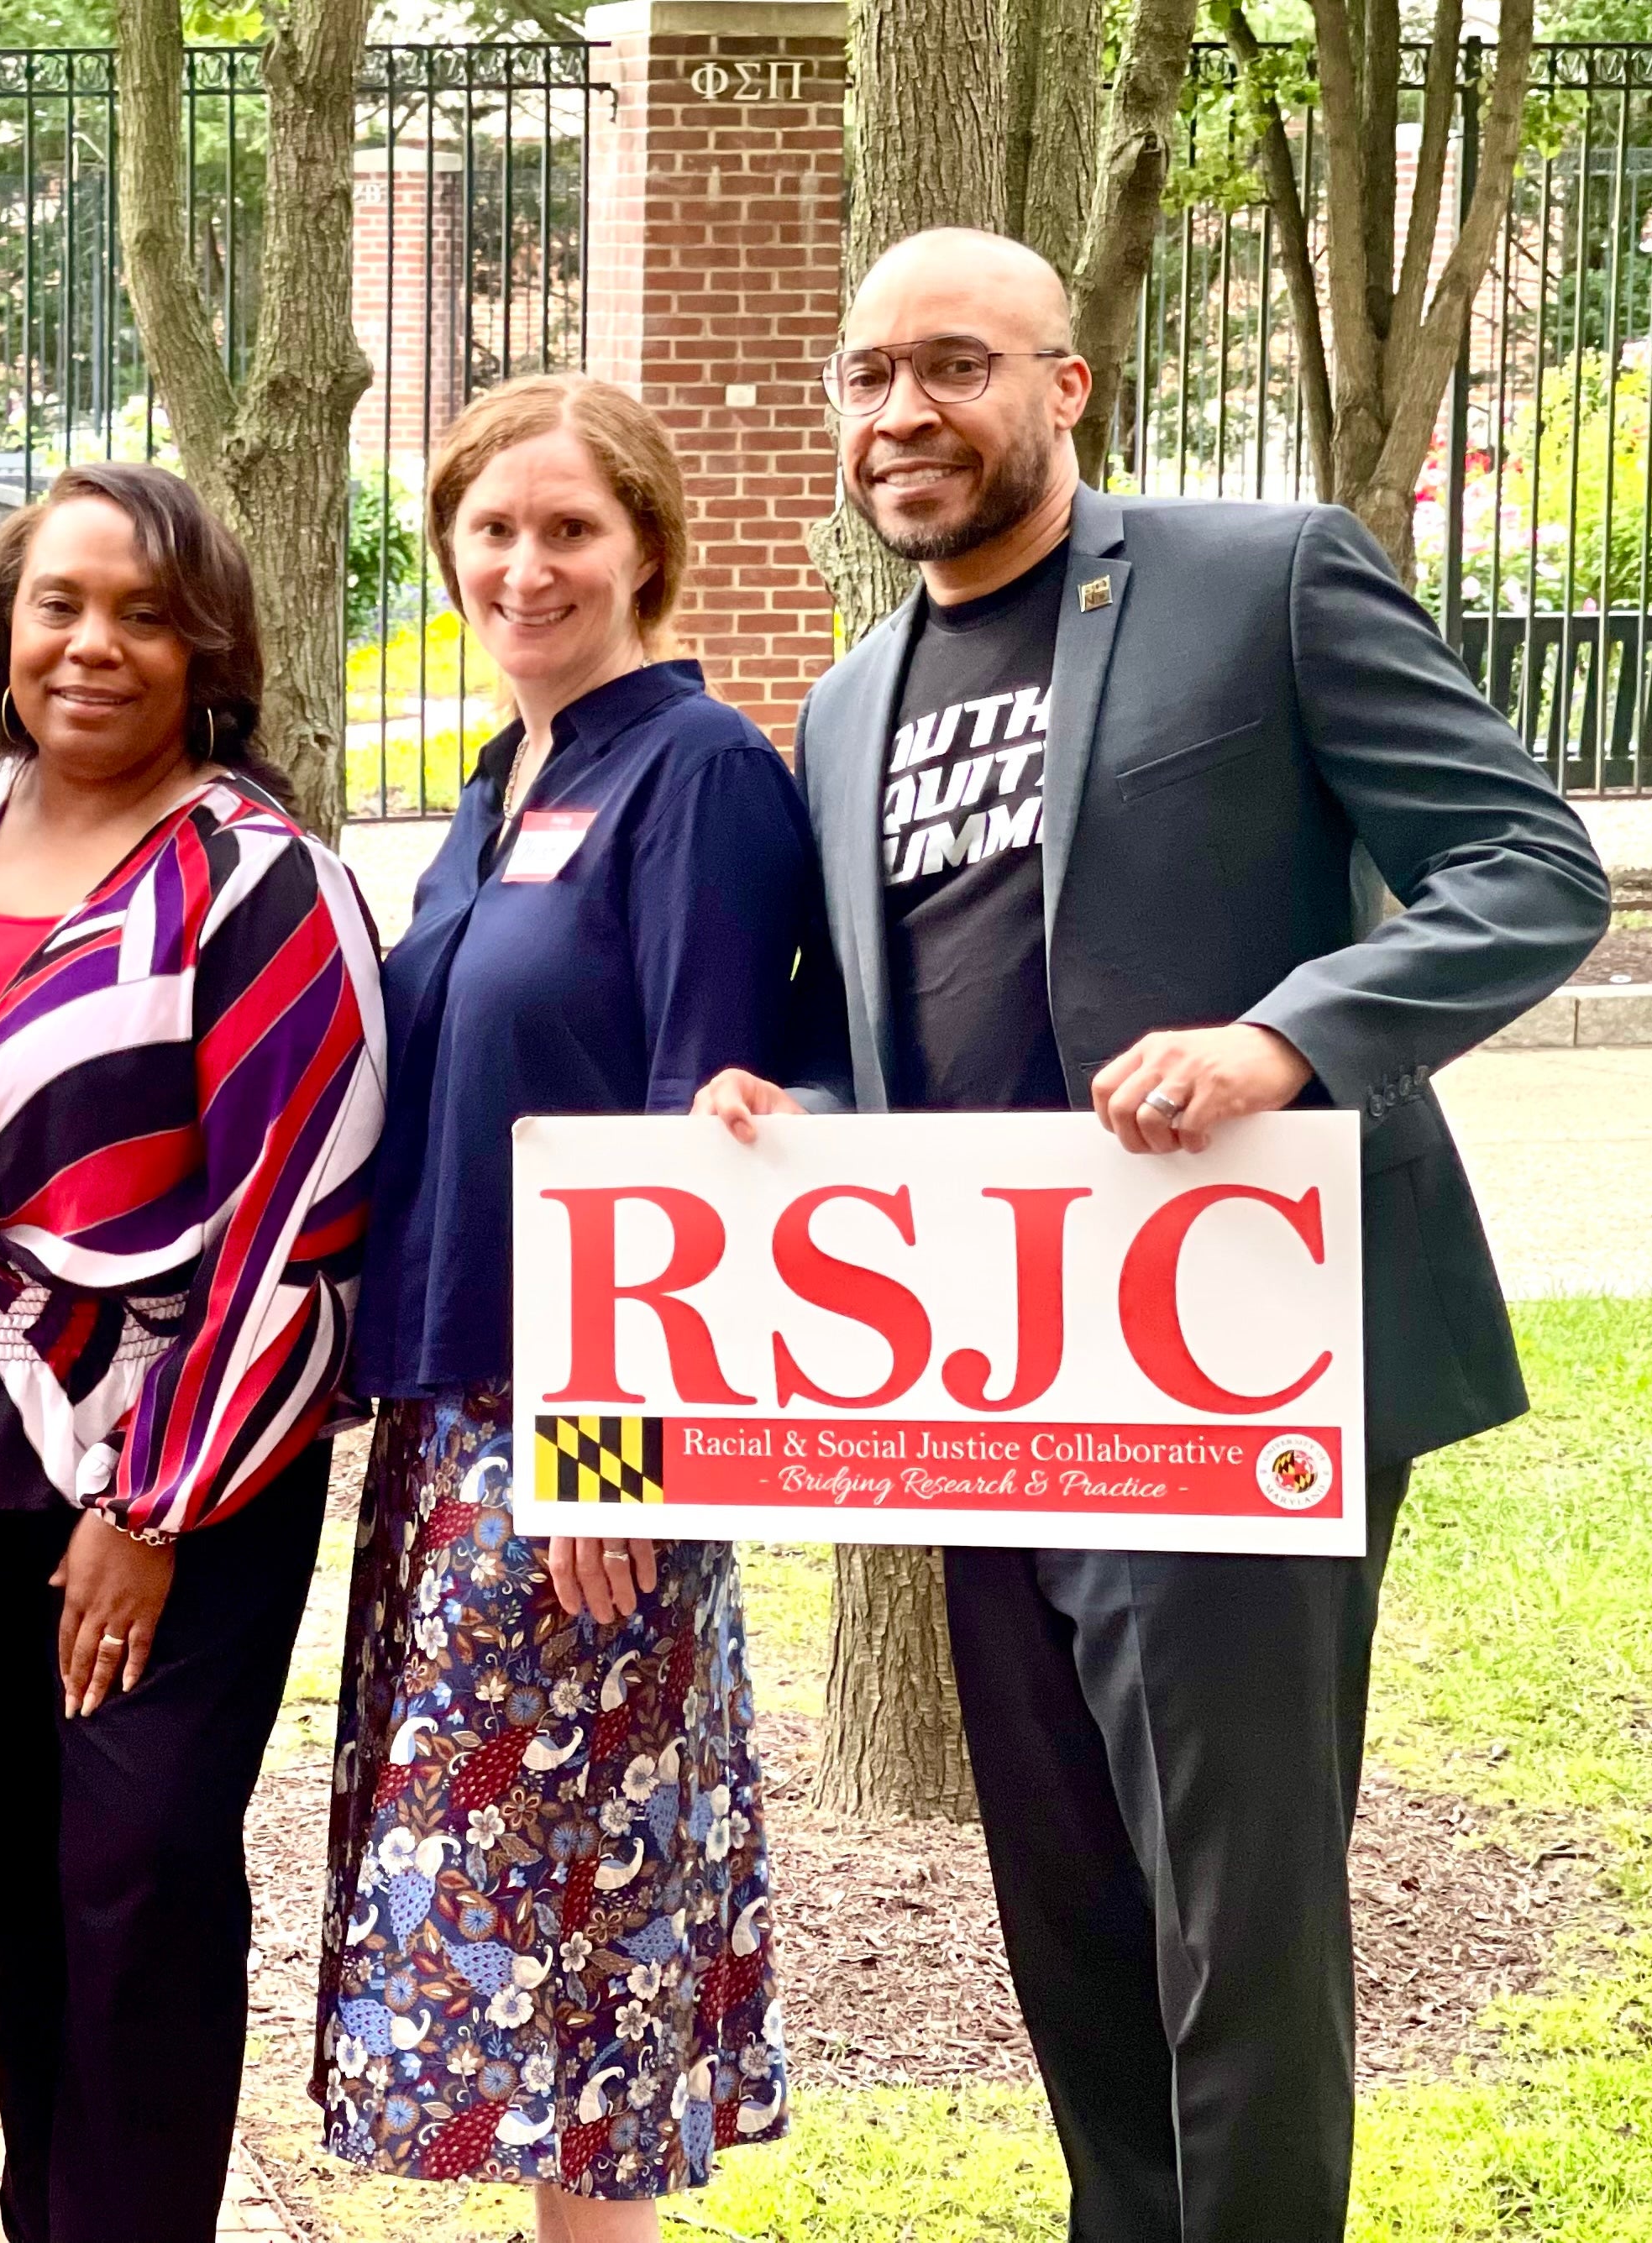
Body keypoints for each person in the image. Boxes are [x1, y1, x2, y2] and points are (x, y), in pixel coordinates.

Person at [695, 228, 1612, 2243]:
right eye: (865, 376)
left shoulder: (1255, 578)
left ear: (1064, 383)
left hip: (1238, 1356)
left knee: (1236, 1916)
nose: (899, 413)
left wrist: (1286, 1039)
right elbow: (909, 1037)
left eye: (952, 365)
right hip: (991, 1377)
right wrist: (793, 1113)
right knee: (1068, 1906)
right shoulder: (847, 704)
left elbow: (1529, 869)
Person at [0, 460, 386, 2243]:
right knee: (16, 1886)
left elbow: (297, 1232)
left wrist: (152, 1503)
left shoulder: (259, 877)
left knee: (137, 1879)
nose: (92, 645)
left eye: (142, 613)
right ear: (1, 629)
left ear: (208, 648)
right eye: (57, 604)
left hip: (173, 1477)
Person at [313, 375, 807, 2235]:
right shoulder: (499, 785)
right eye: (493, 529)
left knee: (579, 1956)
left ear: (647, 550)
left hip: (572, 1432)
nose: (525, 564)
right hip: (453, 1429)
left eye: (569, 528)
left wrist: (613, 1461)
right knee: (512, 1919)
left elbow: (704, 1129)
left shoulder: (694, 774)